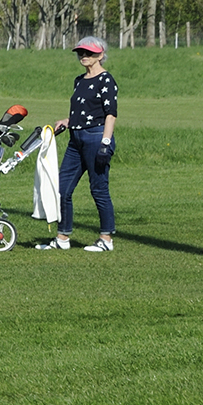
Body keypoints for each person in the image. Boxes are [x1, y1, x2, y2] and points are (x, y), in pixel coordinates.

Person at [36, 35, 117, 252]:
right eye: (81, 52)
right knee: (62, 189)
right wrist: (67, 121)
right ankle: (62, 237)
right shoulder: (79, 80)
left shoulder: (106, 80)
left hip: (96, 138)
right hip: (76, 139)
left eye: (89, 53)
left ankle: (106, 239)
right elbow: (84, 111)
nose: (83, 56)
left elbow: (110, 114)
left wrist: (105, 143)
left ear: (100, 55)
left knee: (99, 189)